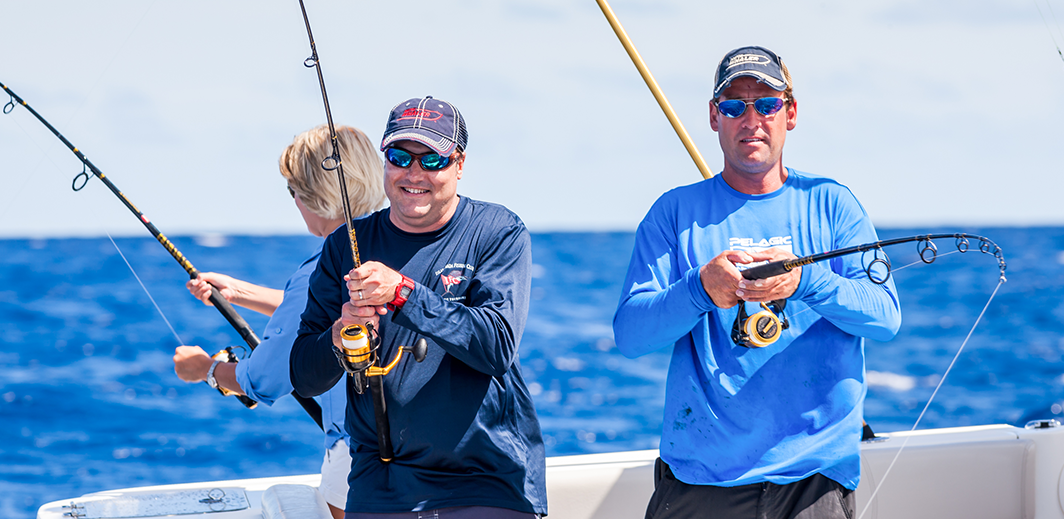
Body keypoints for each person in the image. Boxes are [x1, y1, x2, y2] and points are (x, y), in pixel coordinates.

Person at [613, 46, 902, 519]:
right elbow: (630, 335)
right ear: (714, 117)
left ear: (790, 114)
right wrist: (701, 289)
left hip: (814, 479)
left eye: (767, 104)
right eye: (734, 106)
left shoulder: (833, 204)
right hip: (699, 478)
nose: (752, 119)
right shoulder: (673, 212)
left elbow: (885, 317)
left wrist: (807, 280)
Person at [290, 96, 547, 518]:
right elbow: (303, 374)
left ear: (459, 165)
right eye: (399, 157)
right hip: (382, 482)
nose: (414, 173)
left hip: (486, 480)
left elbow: (497, 346)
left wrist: (403, 293)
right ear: (384, 162)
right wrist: (338, 337)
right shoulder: (344, 245)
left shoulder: (498, 231)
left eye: (432, 160)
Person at [172, 124, 386, 519]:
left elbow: (266, 379)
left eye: (292, 191)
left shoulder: (318, 270)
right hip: (425, 454)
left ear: (310, 196)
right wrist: (239, 293)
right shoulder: (401, 248)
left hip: (361, 463)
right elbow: (330, 312)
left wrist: (207, 369)